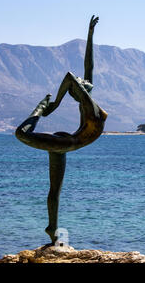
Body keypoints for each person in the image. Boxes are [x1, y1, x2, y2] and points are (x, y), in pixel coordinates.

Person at [15, 15, 108, 244]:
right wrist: (51, 104)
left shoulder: (88, 102)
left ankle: (52, 228)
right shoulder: (87, 102)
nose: (80, 78)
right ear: (78, 91)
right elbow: (71, 77)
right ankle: (53, 229)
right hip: (66, 142)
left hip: (68, 142)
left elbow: (84, 68)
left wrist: (90, 34)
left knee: (55, 189)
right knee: (22, 137)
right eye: (79, 81)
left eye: (81, 80)